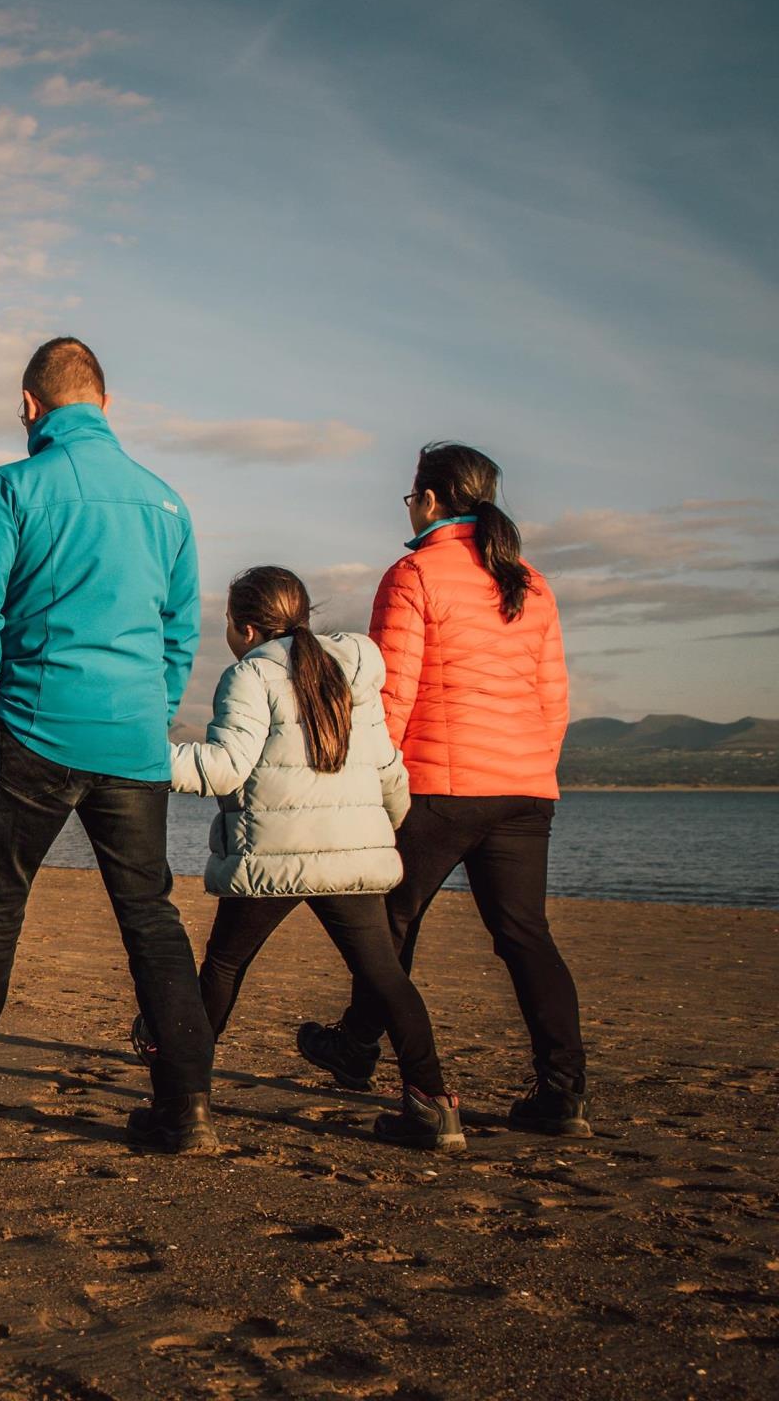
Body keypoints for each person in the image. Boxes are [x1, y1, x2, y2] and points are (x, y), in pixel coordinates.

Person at [0, 337, 219, 1153]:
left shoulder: (12, 488)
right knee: (151, 918)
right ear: (105, 405)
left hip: (33, 725)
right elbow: (181, 631)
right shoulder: (167, 503)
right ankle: (187, 1106)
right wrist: (154, 709)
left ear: (30, 406)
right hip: (133, 742)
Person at [297, 443, 589, 1137]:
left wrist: (368, 778)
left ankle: (383, 1066)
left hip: (438, 785)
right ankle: (564, 1093)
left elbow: (390, 693)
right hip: (523, 787)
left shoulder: (414, 573)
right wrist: (531, 769)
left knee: (389, 924)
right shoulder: (530, 581)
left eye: (411, 497)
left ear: (429, 500)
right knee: (524, 936)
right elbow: (554, 697)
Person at [162, 566, 463, 1150]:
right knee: (384, 975)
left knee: (223, 969)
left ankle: (185, 1096)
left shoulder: (249, 673)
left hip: (270, 856)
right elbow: (386, 768)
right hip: (350, 857)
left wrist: (145, 756)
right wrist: (380, 830)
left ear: (245, 628)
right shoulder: (351, 669)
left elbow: (224, 767)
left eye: (226, 620)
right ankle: (435, 1105)